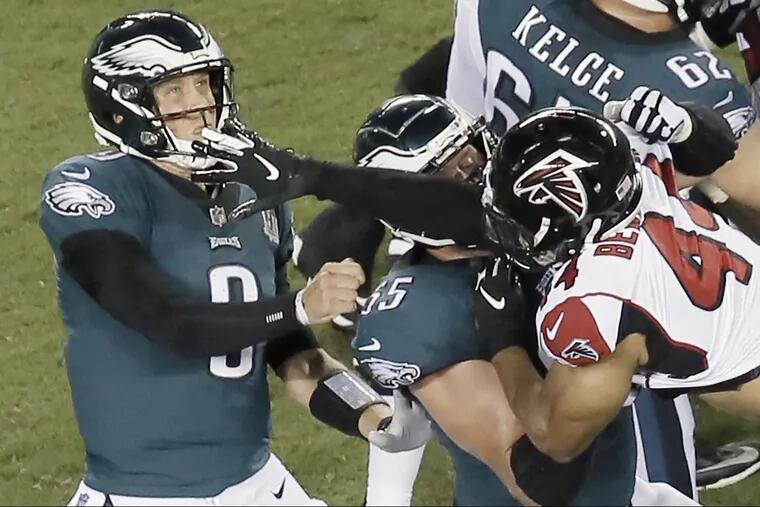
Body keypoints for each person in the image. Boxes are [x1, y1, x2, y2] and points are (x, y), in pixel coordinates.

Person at [39, 10, 430, 506]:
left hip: (257, 480)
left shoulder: (250, 190)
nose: (200, 104)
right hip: (142, 495)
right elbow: (170, 322)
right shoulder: (92, 190)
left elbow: (291, 350)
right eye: (174, 90)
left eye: (203, 83)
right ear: (122, 108)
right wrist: (301, 305)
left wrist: (374, 417)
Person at [352, 94, 640, 506]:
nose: (475, 176)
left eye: (470, 155)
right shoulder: (418, 316)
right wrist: (614, 359)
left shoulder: (544, 229)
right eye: (445, 174)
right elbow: (538, 484)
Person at [469, 102, 760, 504]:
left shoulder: (596, 302)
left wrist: (502, 336)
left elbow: (555, 438)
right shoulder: (629, 173)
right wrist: (687, 122)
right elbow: (718, 146)